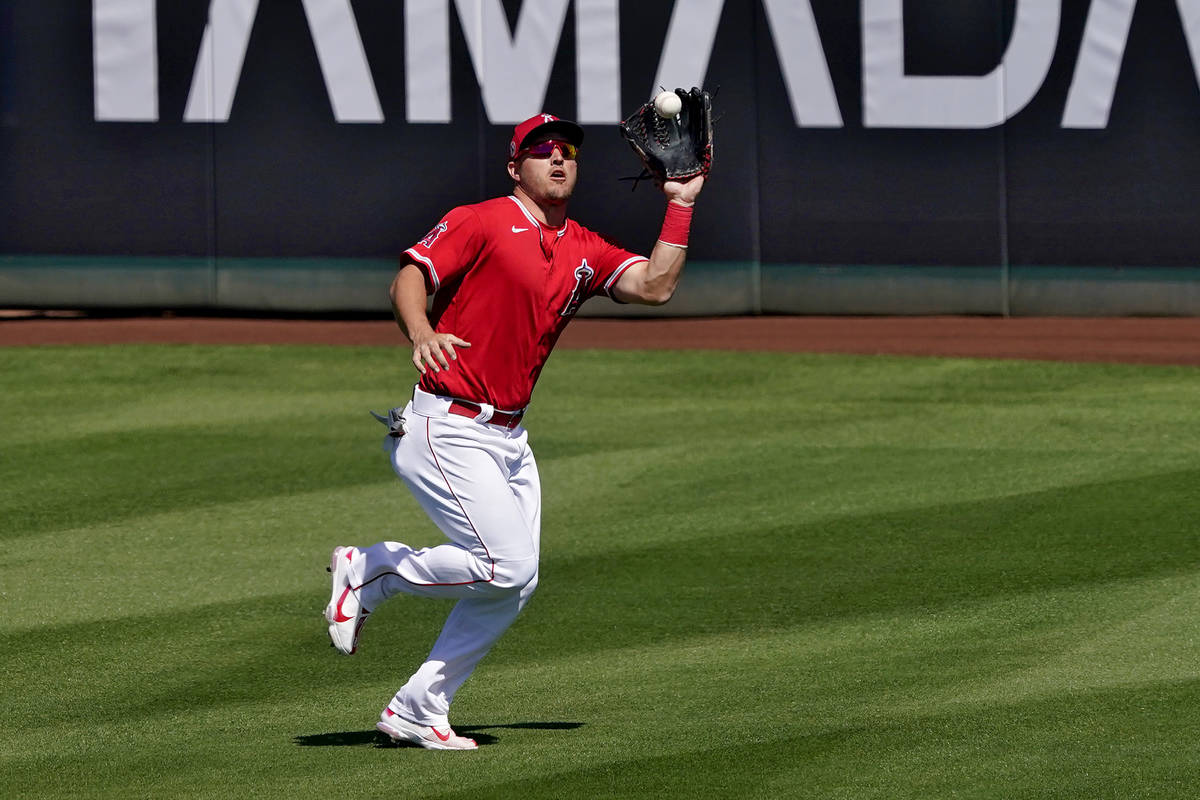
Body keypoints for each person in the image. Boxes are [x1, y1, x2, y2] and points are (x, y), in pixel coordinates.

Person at [324, 112, 705, 750]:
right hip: (447, 425)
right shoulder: (481, 220)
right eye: (542, 149)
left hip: (509, 440)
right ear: (514, 166)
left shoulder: (584, 246)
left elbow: (655, 286)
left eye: (568, 151)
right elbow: (409, 278)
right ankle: (375, 569)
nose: (558, 158)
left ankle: (419, 708)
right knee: (506, 565)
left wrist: (682, 205)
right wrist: (421, 330)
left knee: (514, 585)